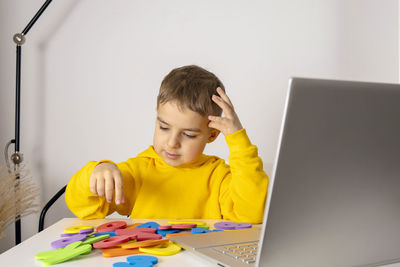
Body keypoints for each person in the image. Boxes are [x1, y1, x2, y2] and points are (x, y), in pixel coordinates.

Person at [65, 65, 268, 223]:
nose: (172, 143)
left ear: (212, 134)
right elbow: (82, 206)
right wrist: (97, 171)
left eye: (188, 135)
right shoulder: (141, 170)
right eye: (164, 127)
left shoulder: (219, 177)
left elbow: (251, 214)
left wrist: (237, 139)